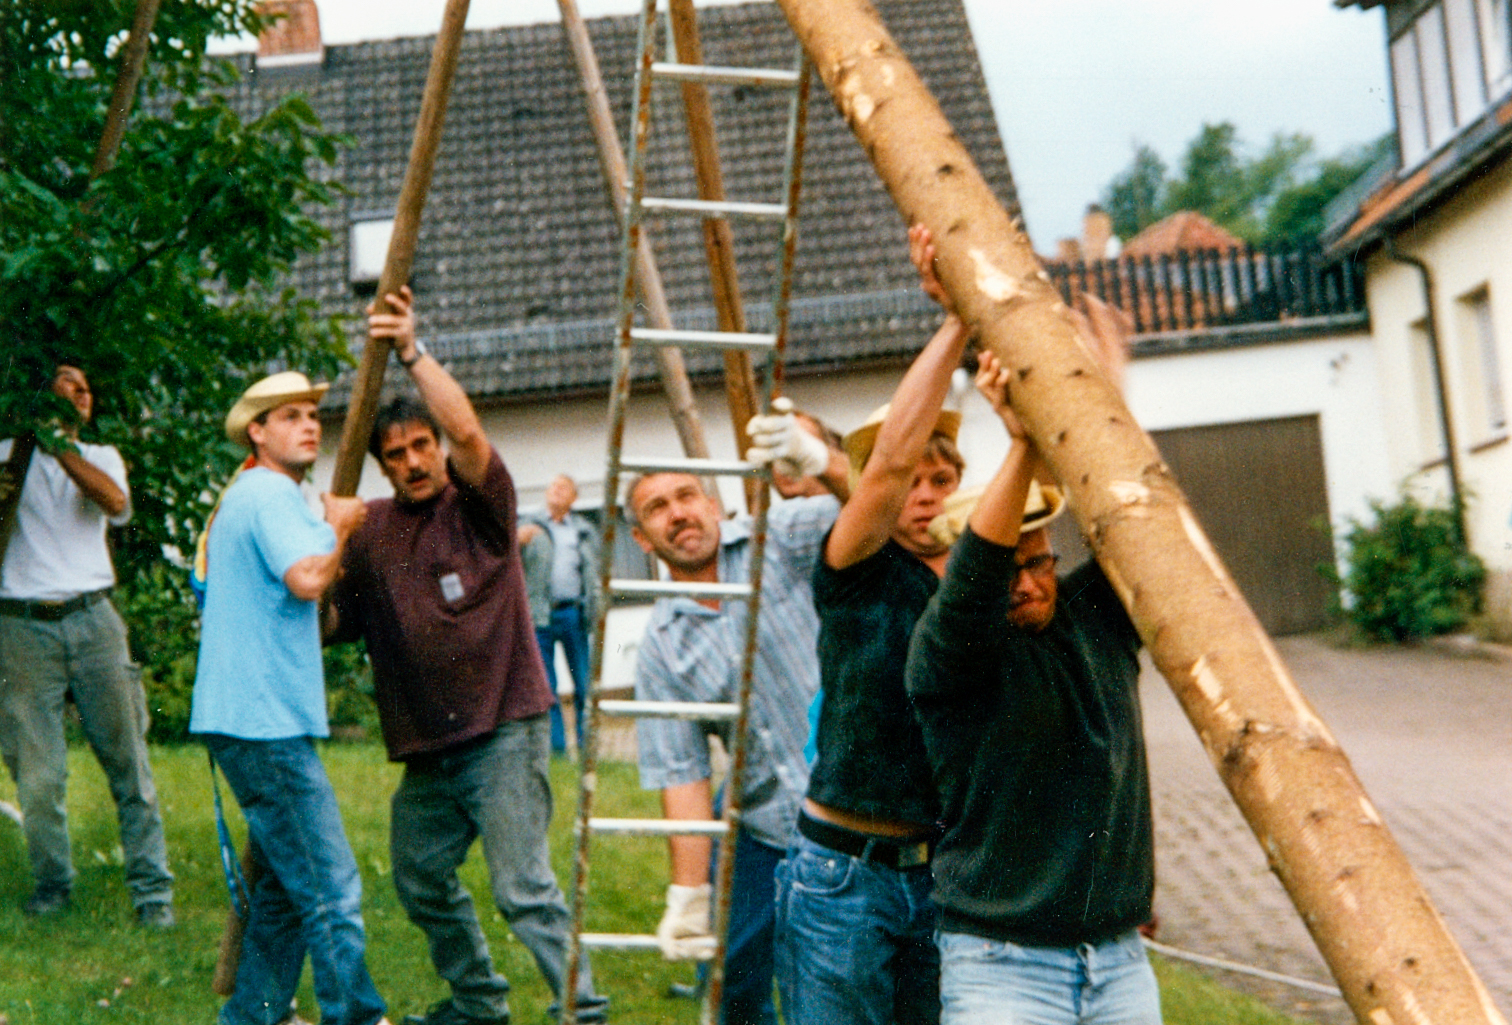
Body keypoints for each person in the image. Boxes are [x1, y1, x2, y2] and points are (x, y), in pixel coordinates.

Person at [327, 287, 608, 1025]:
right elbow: (334, 622)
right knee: (420, 875)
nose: (414, 461)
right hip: (428, 748)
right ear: (383, 467)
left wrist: (413, 353)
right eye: (397, 454)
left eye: (422, 445)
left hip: (504, 727)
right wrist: (315, 548)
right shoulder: (371, 530)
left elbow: (472, 434)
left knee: (523, 888)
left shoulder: (482, 506)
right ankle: (480, 1001)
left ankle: (586, 1007)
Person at [903, 342, 1160, 1025]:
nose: (1026, 582)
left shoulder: (1095, 619)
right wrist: (1021, 444)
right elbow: (980, 569)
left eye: (1040, 562)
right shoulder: (948, 652)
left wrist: (1102, 398)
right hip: (1001, 966)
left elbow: (1136, 514)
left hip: (1118, 960)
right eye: (1007, 570)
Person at [775, 224, 969, 1025]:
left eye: (942, 475)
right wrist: (960, 318)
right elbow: (882, 468)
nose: (922, 489)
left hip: (945, 878)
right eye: (911, 477)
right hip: (843, 875)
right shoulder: (854, 563)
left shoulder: (974, 583)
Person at [626, 397, 846, 1025]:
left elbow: (877, 503)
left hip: (857, 803)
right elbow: (684, 780)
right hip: (765, 824)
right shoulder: (663, 648)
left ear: (714, 503)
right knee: (727, 985)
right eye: (656, 509)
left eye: (686, 496)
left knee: (850, 981)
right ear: (643, 539)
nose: (677, 515)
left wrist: (822, 460)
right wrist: (687, 894)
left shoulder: (784, 538)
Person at [190, 370, 387, 1025]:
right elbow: (307, 578)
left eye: (313, 414)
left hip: (249, 716)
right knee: (329, 882)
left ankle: (254, 1014)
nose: (309, 424)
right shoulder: (272, 494)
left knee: (281, 882)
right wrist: (338, 528)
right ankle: (356, 1015)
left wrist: (325, 526)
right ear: (257, 430)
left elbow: (303, 604)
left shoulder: (256, 494)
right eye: (290, 415)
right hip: (262, 720)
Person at [0, 364, 175, 926]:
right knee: (39, 775)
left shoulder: (100, 457)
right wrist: (28, 448)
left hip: (95, 620)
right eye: (69, 382)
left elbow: (114, 503)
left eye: (87, 388)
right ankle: (53, 887)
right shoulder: (5, 456)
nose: (82, 392)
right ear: (41, 390)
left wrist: (57, 447)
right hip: (22, 627)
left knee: (129, 766)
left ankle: (153, 896)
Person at [520, 475, 599, 757]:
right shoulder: (528, 526)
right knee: (546, 686)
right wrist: (516, 540)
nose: (555, 490)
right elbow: (505, 559)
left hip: (573, 616)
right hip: (540, 616)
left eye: (563, 488)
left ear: (574, 499)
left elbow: (594, 574)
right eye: (552, 486)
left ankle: (587, 744)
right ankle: (556, 749)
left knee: (583, 684)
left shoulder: (584, 531)